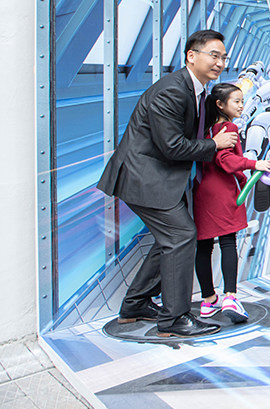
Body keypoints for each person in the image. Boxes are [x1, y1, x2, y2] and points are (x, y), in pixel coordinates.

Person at [99, 30, 238, 338]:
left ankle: (136, 304)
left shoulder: (197, 90)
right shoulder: (173, 90)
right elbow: (172, 146)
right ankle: (173, 320)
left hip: (160, 177)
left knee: (170, 238)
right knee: (182, 235)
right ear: (192, 56)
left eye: (223, 57)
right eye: (214, 55)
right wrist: (214, 145)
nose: (220, 63)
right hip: (144, 177)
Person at [193, 83, 270, 324]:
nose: (241, 105)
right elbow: (227, 161)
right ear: (220, 104)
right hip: (221, 192)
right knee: (229, 243)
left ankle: (208, 301)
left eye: (242, 101)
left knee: (204, 246)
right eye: (236, 101)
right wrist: (255, 164)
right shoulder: (227, 127)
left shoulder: (206, 128)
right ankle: (230, 297)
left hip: (202, 191)